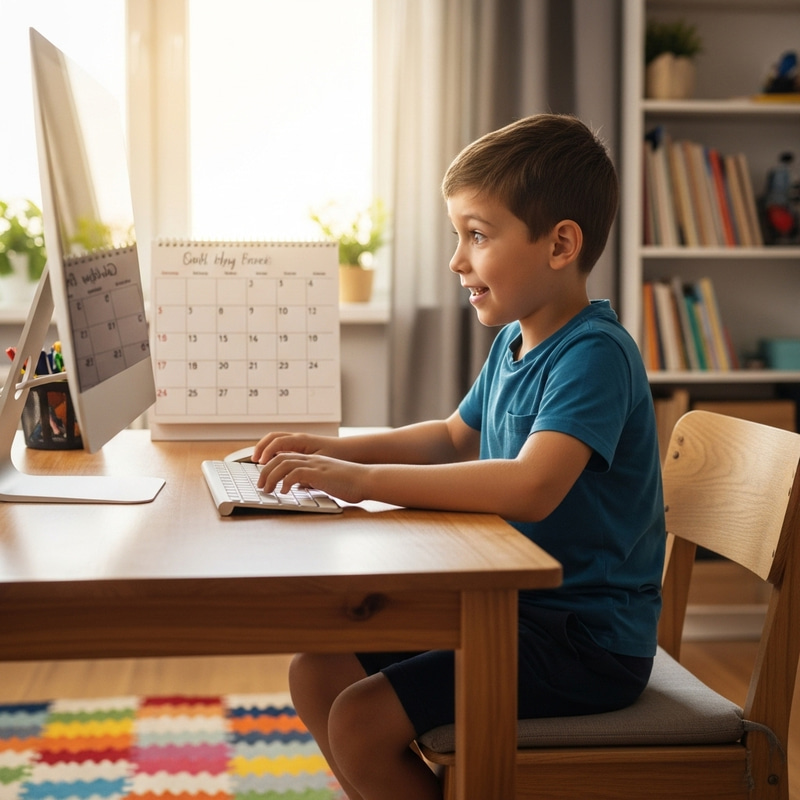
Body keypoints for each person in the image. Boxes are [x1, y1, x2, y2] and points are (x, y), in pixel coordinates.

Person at [252, 113, 666, 800]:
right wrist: (332, 447)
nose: (456, 260)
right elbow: (451, 436)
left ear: (560, 244)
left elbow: (532, 486)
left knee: (360, 720)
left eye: (477, 235)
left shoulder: (596, 355)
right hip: (509, 609)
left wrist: (359, 481)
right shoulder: (516, 342)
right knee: (318, 668)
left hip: (583, 642)